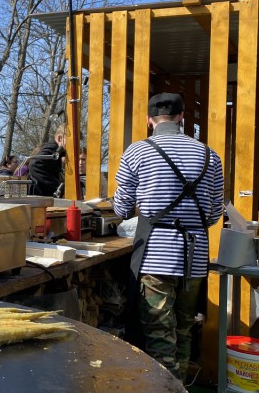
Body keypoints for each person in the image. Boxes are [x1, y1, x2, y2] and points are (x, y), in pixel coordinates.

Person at [113, 93, 224, 383]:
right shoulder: (210, 155)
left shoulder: (136, 152)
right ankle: (181, 386)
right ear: (181, 118)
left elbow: (122, 209)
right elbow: (213, 215)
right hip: (195, 259)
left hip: (156, 256)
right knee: (185, 329)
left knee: (159, 334)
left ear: (150, 120)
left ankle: (164, 389)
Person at [29, 124, 66, 196]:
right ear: (59, 138)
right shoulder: (53, 148)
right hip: (41, 195)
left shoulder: (58, 151)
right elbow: (35, 164)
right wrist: (58, 188)